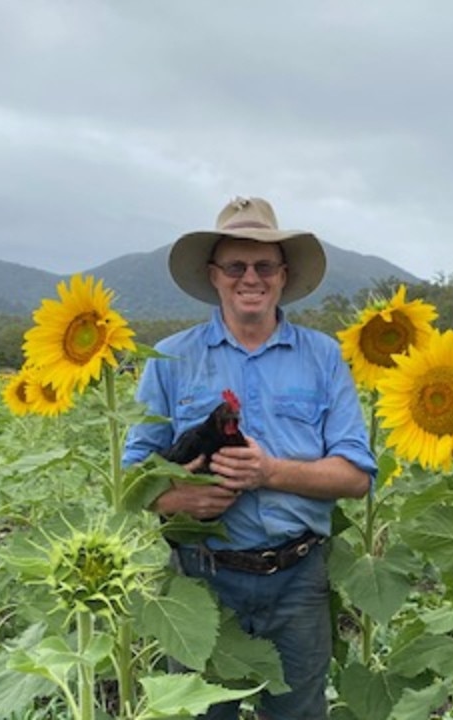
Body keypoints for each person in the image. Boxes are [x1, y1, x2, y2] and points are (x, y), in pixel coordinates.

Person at [122, 196, 376, 720]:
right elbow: (132, 479)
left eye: (264, 266)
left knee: (299, 712)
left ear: (283, 276)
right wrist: (179, 497)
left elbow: (356, 477)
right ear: (214, 276)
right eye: (235, 266)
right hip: (200, 578)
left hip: (298, 577)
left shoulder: (323, 356)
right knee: (199, 712)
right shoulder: (171, 357)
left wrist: (270, 471)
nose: (250, 278)